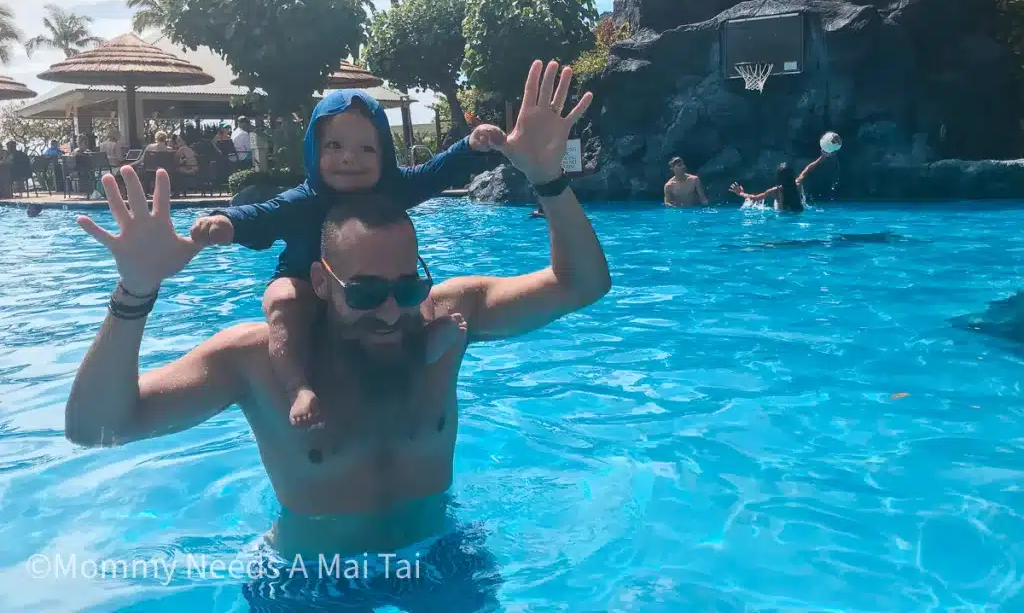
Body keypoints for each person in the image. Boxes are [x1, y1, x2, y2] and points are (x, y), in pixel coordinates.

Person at [64, 60, 609, 572]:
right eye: (367, 294)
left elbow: (581, 284)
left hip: (445, 561)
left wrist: (549, 180)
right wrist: (135, 291)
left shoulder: (446, 316)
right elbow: (96, 429)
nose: (394, 311)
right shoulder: (255, 359)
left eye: (409, 285)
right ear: (321, 281)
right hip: (313, 579)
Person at [187, 88, 498, 430]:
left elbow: (435, 173)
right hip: (304, 277)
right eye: (334, 147)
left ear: (385, 154)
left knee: (403, 285)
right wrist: (227, 223)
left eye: (366, 148)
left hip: (370, 285)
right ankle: (298, 387)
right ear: (314, 151)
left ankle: (423, 345)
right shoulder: (304, 199)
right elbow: (264, 216)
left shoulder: (392, 187)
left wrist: (469, 147)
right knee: (281, 300)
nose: (350, 158)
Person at [729, 148, 834, 213]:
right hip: (799, 213)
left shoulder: (777, 190)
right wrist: (822, 157)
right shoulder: (797, 184)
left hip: (783, 217)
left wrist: (741, 193)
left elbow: (755, 198)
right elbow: (808, 168)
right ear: (792, 175)